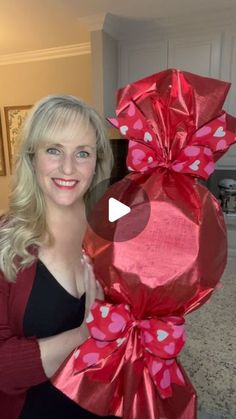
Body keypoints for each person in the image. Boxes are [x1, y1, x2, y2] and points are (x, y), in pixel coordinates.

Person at [0, 95, 119, 419]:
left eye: (82, 153)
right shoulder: (5, 241)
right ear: (31, 156)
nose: (68, 168)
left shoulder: (115, 224)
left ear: (96, 162)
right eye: (54, 150)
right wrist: (83, 334)